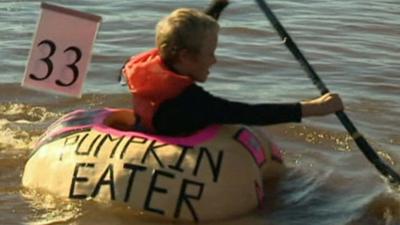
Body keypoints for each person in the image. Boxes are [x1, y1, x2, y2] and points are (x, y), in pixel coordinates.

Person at [122, 8, 343, 136]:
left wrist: (219, 5)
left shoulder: (159, 61)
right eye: (211, 53)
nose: (215, 60)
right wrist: (314, 108)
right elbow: (248, 113)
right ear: (186, 57)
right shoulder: (191, 103)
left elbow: (191, 34)